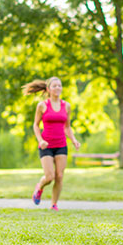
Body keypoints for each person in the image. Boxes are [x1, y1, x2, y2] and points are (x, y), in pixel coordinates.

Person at [23, 77, 80, 211]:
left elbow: (67, 127)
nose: (57, 88)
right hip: (46, 145)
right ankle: (40, 187)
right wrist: (40, 140)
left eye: (59, 86)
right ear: (48, 89)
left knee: (59, 176)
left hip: (61, 144)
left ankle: (54, 204)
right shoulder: (42, 105)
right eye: (54, 86)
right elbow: (36, 125)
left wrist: (74, 140)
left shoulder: (66, 105)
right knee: (50, 177)